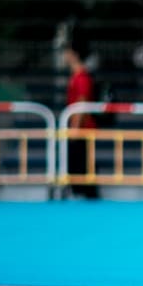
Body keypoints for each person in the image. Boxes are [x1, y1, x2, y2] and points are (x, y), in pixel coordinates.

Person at [63, 32, 99, 198]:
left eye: (67, 52)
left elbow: (82, 103)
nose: (64, 55)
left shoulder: (82, 77)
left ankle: (85, 195)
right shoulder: (76, 76)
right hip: (78, 127)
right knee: (80, 165)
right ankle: (81, 193)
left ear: (74, 54)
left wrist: (75, 128)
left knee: (83, 166)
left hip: (83, 129)